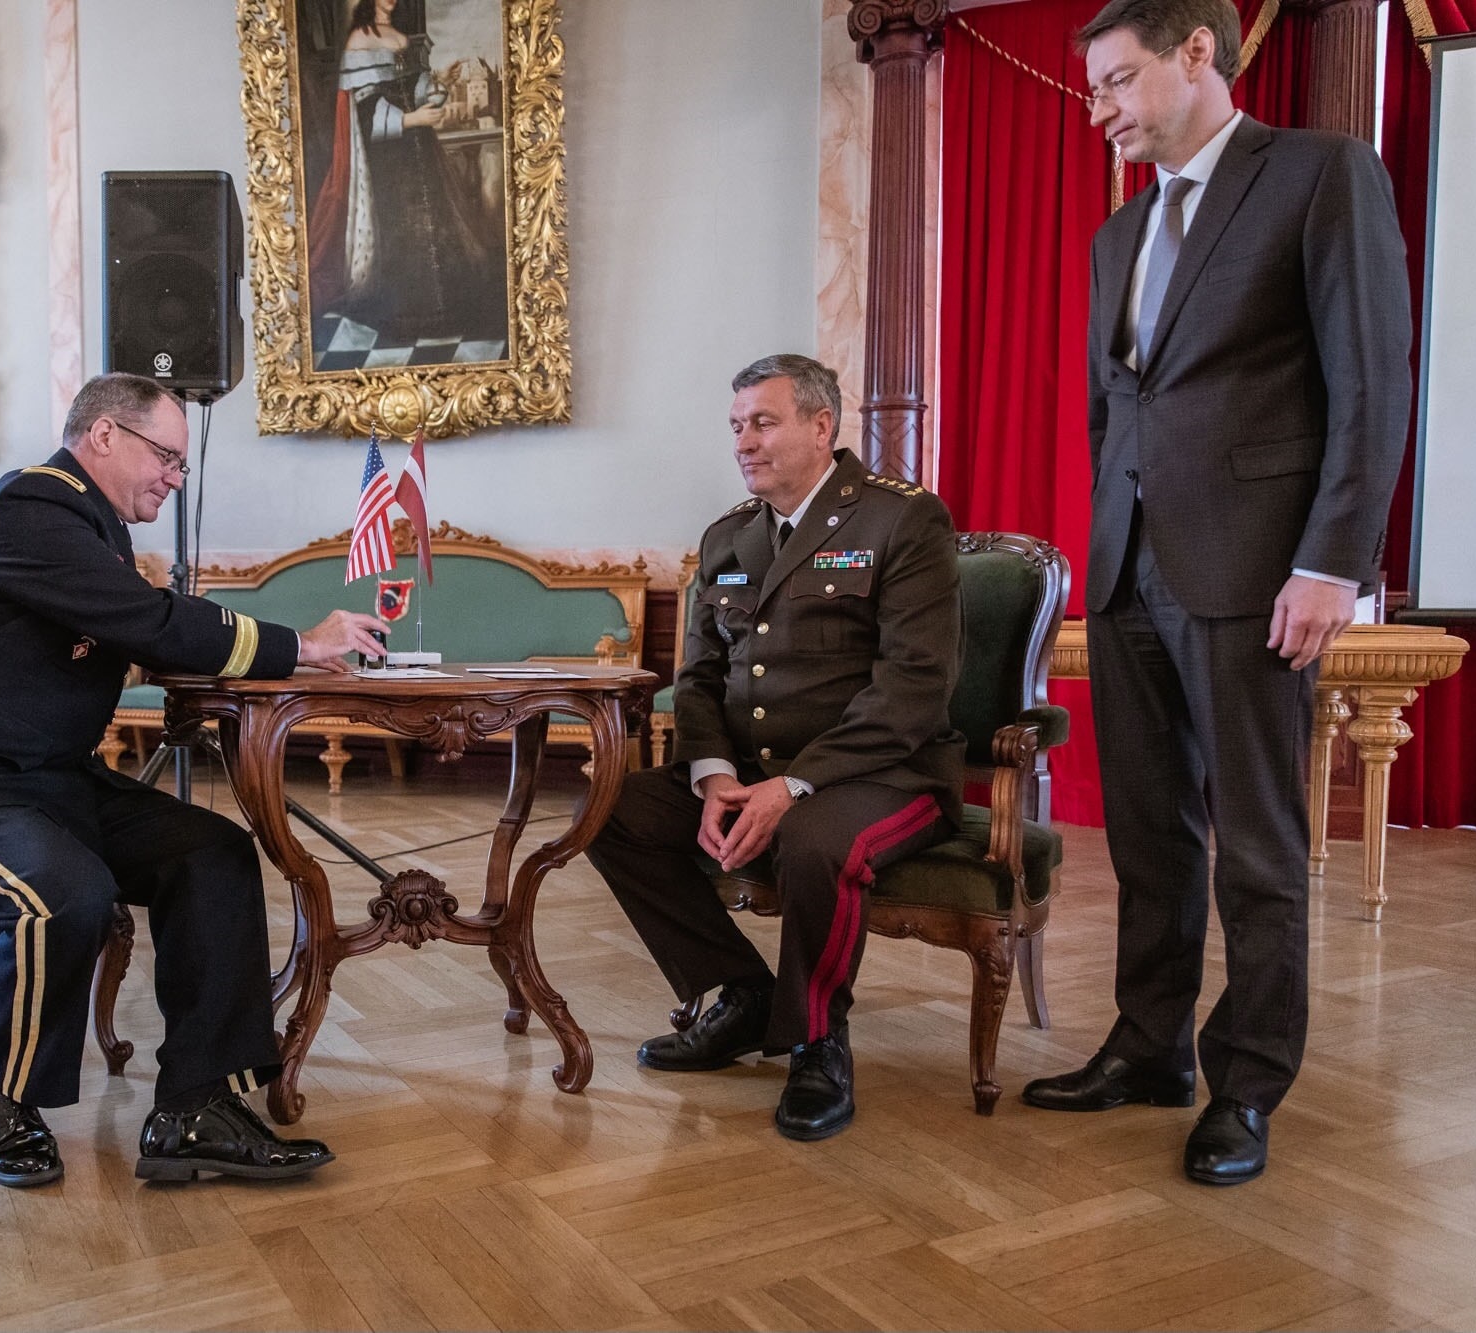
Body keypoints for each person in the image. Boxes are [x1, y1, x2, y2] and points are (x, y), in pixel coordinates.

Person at [1021, 0, 1411, 1186]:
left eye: (1117, 81)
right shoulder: (1116, 234)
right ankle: (1149, 1046)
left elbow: (1369, 376)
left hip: (1255, 570)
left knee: (1253, 843)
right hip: (1130, 567)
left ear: (1197, 53)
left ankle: (1245, 1083)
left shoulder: (1316, 174)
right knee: (1147, 832)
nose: (1100, 111)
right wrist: (1105, 541)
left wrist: (1329, 561)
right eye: (1090, 88)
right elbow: (1115, 409)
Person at [0, 373, 389, 1188]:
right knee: (62, 890)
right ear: (103, 435)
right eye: (167, 457)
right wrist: (299, 645)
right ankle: (4, 1098)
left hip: (49, 781)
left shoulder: (91, 526)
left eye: (180, 463)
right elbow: (144, 619)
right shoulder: (31, 506)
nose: (176, 479)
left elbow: (139, 624)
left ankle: (194, 1106)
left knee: (211, 852)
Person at [584, 354, 964, 1142]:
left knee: (814, 838)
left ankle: (819, 1041)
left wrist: (793, 786)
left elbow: (913, 686)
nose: (743, 442)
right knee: (610, 810)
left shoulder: (900, 520)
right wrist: (716, 774)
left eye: (763, 422)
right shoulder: (729, 536)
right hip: (750, 771)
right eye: (735, 426)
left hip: (885, 772)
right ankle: (743, 995)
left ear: (822, 426)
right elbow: (699, 679)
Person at [304, 0, 500, 346]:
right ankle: (407, 316)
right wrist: (412, 120)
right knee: (400, 229)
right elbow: (364, 112)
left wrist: (438, 84)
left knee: (434, 222)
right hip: (387, 159)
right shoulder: (359, 40)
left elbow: (414, 91)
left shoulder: (401, 38)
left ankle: (445, 309)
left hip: (420, 152)